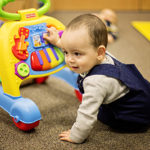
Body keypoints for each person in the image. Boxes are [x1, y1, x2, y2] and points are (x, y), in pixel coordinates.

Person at [43, 14, 150, 144]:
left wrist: (76, 135)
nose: (69, 59)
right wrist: (58, 42)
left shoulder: (95, 82)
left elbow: (87, 114)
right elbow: (72, 46)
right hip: (141, 92)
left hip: (133, 115)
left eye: (77, 53)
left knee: (103, 115)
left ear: (99, 52)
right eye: (66, 52)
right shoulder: (102, 55)